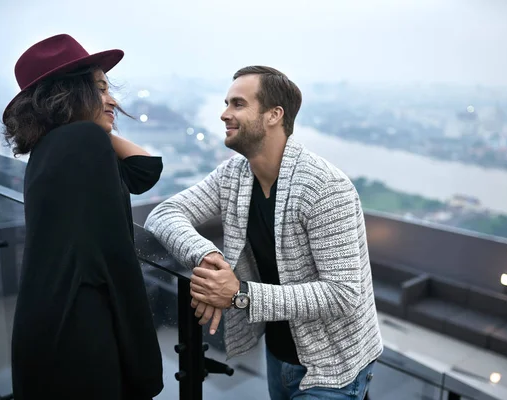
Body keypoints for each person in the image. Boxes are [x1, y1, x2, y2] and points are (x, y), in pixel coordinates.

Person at [144, 66, 382, 399]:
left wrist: (240, 293)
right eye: (227, 103)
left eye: (237, 104)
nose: (224, 114)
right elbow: (165, 213)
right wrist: (209, 257)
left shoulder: (324, 187)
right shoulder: (236, 174)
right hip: (278, 353)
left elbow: (342, 294)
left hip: (333, 367)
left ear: (274, 115)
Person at [2, 34, 164, 400]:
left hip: (52, 322)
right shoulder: (81, 142)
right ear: (69, 95)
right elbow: (115, 257)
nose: (113, 100)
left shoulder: (54, 148)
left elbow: (143, 172)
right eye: (100, 89)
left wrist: (94, 125)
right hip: (83, 332)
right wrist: (141, 355)